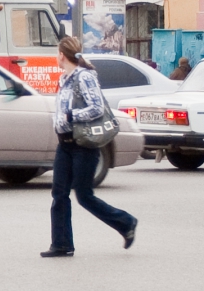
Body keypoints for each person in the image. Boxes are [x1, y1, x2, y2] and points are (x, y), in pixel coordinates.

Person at [43, 36, 138, 257]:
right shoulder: (63, 79)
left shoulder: (84, 77)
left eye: (57, 53)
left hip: (83, 144)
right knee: (59, 193)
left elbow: (96, 108)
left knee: (84, 195)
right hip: (64, 143)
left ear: (61, 55)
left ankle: (126, 222)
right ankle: (61, 244)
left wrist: (70, 115)